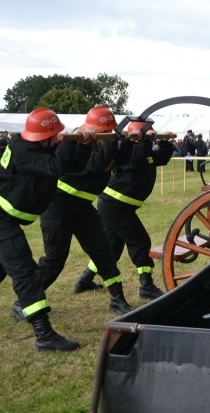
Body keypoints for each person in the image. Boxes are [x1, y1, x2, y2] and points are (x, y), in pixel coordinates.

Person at [13, 106, 134, 318]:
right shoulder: (76, 141)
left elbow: (121, 161)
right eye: (107, 130)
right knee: (55, 260)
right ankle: (23, 300)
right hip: (59, 205)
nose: (110, 133)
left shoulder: (106, 142)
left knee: (103, 252)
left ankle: (117, 300)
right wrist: (111, 141)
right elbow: (95, 167)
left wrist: (131, 142)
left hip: (82, 207)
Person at [0, 108, 80, 351]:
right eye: (55, 135)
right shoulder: (24, 151)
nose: (57, 139)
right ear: (45, 136)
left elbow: (66, 163)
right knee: (25, 271)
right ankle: (44, 335)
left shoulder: (33, 145)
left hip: (3, 217)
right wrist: (70, 141)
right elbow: (56, 167)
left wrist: (82, 142)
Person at [76, 121, 174, 300]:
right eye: (147, 134)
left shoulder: (145, 152)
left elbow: (161, 158)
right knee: (140, 241)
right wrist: (144, 141)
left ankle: (84, 281)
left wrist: (165, 142)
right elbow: (137, 159)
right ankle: (147, 286)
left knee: (112, 248)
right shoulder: (129, 152)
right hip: (116, 205)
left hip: (116, 206)